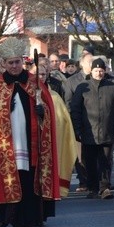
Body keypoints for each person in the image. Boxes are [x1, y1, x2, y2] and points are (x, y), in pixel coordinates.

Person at [0, 37, 60, 227]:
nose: (15, 66)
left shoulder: (34, 83)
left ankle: (20, 223)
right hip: (3, 146)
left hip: (28, 142)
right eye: (11, 63)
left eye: (18, 62)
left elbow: (48, 111)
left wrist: (41, 111)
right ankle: (0, 220)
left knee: (25, 182)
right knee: (3, 182)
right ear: (4, 64)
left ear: (23, 62)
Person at [70, 58, 114, 200]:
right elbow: (76, 110)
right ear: (91, 71)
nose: (99, 73)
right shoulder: (83, 87)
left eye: (101, 70)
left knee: (105, 161)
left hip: (107, 131)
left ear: (105, 71)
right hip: (88, 132)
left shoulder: (112, 87)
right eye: (96, 70)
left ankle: (104, 188)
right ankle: (92, 187)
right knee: (89, 162)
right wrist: (77, 130)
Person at [34, 55, 77, 199]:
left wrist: (45, 113)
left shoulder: (55, 96)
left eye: (44, 74)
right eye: (38, 74)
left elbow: (61, 120)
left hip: (49, 142)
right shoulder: (24, 94)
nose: (41, 76)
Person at [63, 54, 93, 192]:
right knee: (81, 155)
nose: (93, 64)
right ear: (82, 64)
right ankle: (84, 181)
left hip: (95, 122)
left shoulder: (98, 78)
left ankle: (98, 182)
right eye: (90, 62)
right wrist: (74, 121)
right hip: (79, 122)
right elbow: (68, 102)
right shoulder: (72, 81)